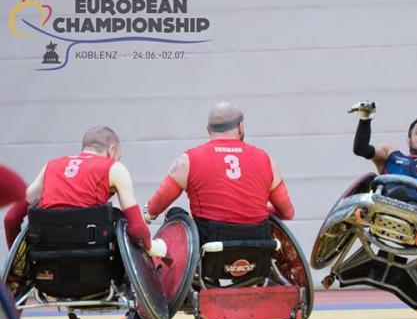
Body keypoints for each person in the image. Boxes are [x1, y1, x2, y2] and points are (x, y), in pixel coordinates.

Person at [3, 126, 163, 254]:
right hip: (96, 262)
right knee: (119, 218)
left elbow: (10, 218)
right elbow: (138, 231)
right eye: (118, 157)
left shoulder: (50, 167)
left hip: (45, 263)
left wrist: (19, 263)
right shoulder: (114, 168)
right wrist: (152, 247)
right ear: (112, 149)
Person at [144, 101, 294, 231]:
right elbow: (287, 213)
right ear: (240, 127)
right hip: (257, 248)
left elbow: (154, 207)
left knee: (173, 212)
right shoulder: (267, 160)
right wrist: (257, 210)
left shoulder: (188, 160)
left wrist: (148, 213)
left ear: (208, 130)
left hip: (210, 247)